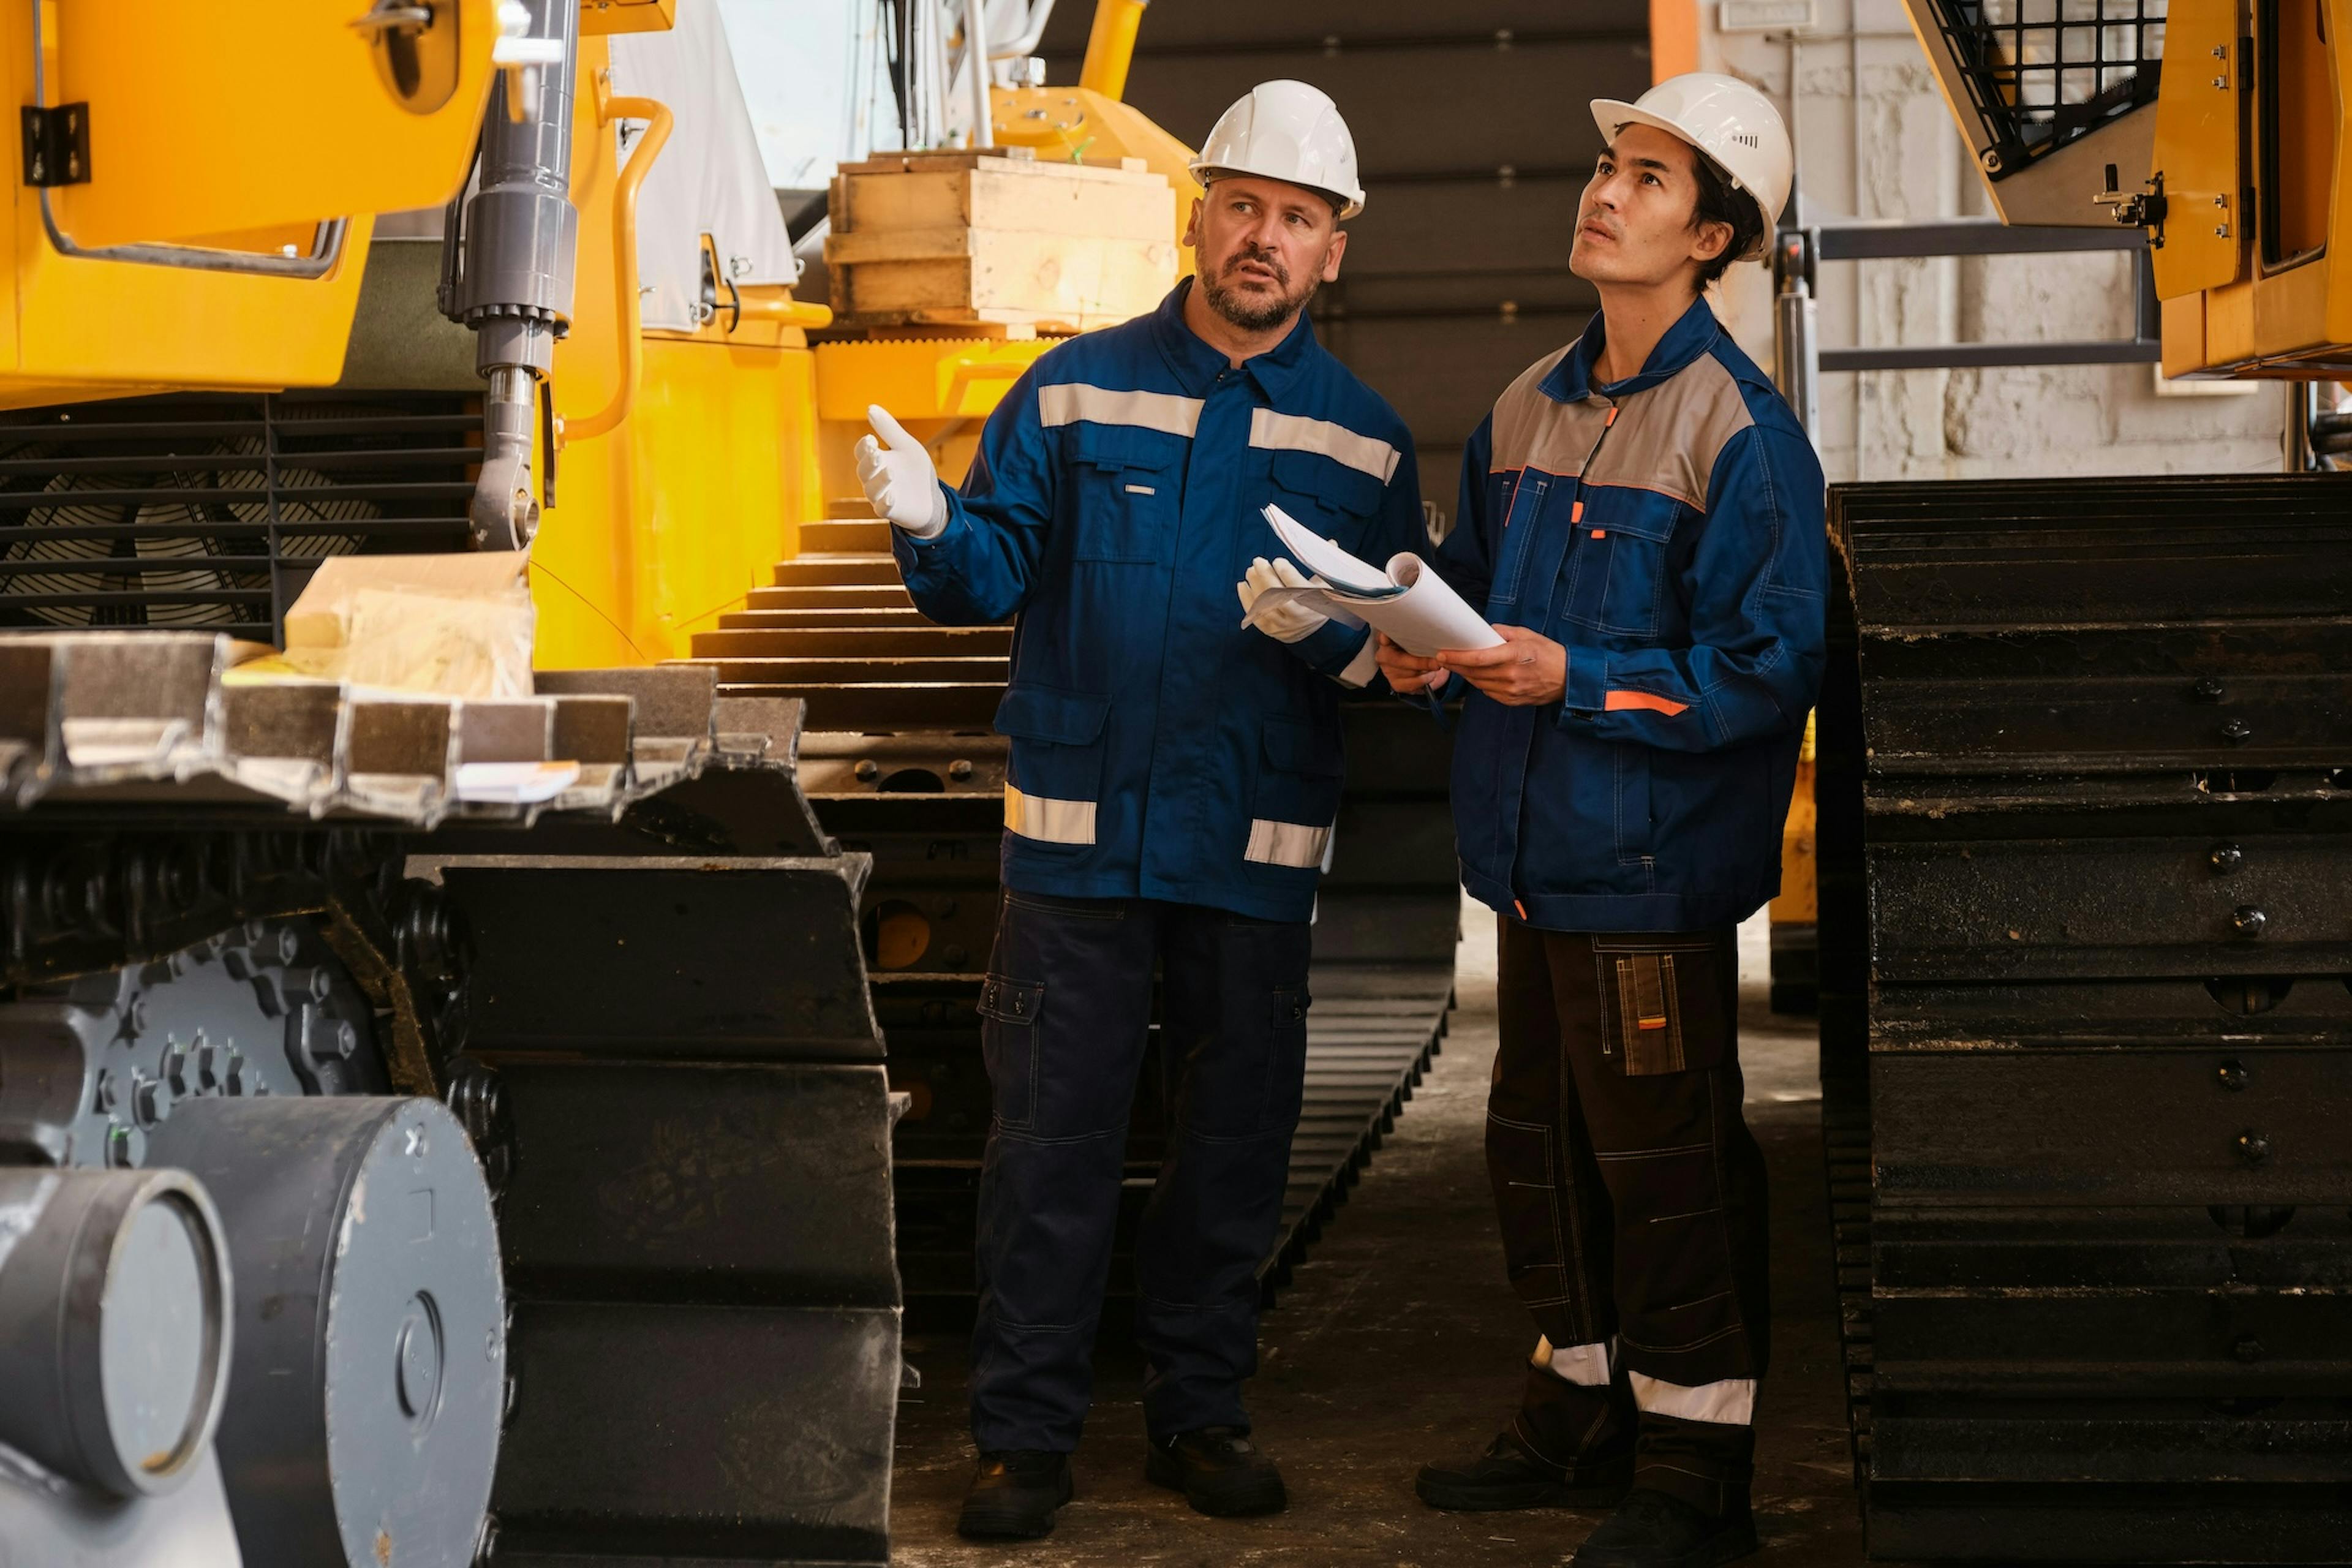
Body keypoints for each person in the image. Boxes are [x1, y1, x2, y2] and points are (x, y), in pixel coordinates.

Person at [856, 80, 1425, 1542]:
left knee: (1230, 1150)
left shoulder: (1366, 443)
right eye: (1244, 205)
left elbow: (1398, 657)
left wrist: (1340, 638)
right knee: (1049, 1149)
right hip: (1079, 848)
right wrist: (932, 519)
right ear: (1199, 215)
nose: (1264, 236)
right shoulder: (1072, 390)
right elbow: (988, 574)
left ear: (1335, 248)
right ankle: (1023, 1438)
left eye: (1298, 218)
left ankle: (1200, 1411)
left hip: (1251, 847)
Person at [1376, 74, 1823, 1568]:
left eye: (1648, 177)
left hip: (1647, 877)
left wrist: (1575, 677)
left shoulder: (1741, 432)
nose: (1605, 192)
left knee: (1665, 1164)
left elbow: (1765, 670)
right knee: (1542, 1143)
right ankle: (1580, 1410)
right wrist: (1416, 644)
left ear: (1712, 236)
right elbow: (1470, 596)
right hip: (1529, 865)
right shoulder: (1525, 407)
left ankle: (1697, 1473)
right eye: (1608, 165)